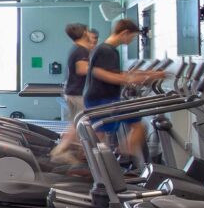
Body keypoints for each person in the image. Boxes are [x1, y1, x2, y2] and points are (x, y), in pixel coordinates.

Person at [84, 18, 158, 160]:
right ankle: (122, 157)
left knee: (102, 135)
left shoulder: (106, 49)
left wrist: (149, 75)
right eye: (133, 36)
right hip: (103, 99)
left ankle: (116, 159)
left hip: (101, 97)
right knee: (137, 127)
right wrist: (131, 79)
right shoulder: (107, 50)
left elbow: (115, 73)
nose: (132, 40)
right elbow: (102, 74)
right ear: (124, 33)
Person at [49, 23, 96, 163]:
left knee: (77, 124)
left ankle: (71, 152)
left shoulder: (79, 49)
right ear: (84, 33)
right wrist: (103, 71)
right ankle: (59, 152)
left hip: (74, 92)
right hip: (76, 93)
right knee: (79, 124)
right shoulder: (81, 50)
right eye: (87, 31)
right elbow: (81, 69)